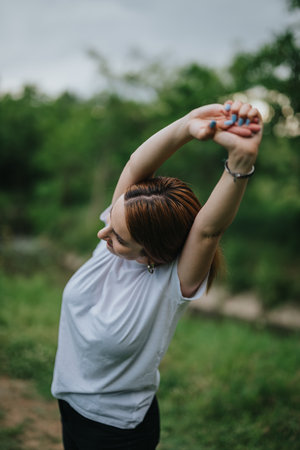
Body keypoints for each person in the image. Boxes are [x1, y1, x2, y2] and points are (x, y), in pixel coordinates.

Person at [51, 99, 262, 449]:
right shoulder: (117, 235)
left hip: (116, 430)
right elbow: (136, 164)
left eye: (117, 237)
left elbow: (208, 229)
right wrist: (188, 124)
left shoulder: (169, 283)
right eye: (111, 223)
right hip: (69, 402)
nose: (103, 234)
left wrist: (240, 161)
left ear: (152, 251)